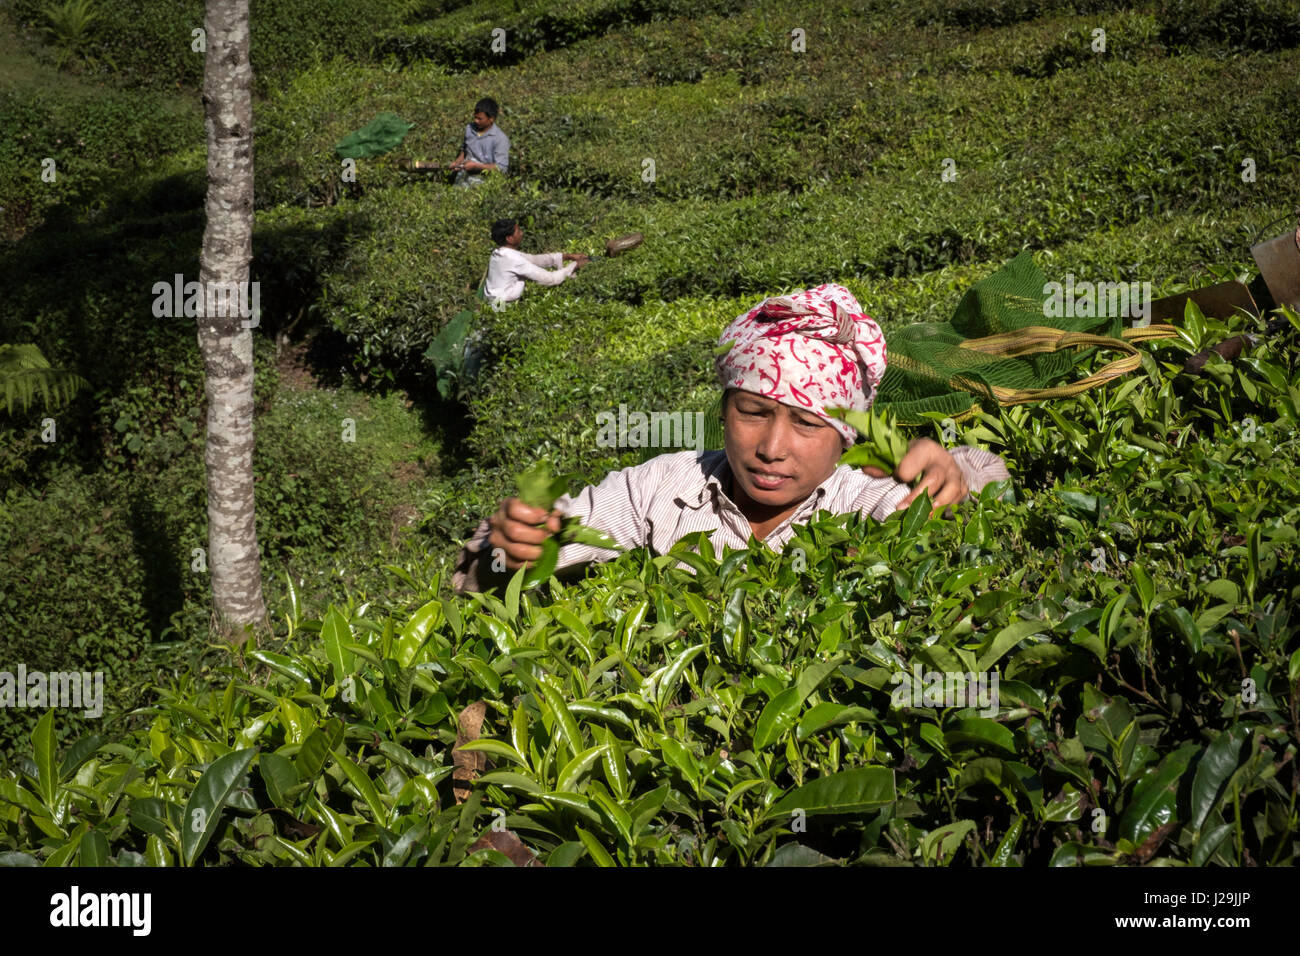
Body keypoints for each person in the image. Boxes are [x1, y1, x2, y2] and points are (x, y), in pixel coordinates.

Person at [453, 283, 1012, 594]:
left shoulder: (872, 503)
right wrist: (507, 549)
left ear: (847, 438)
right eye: (752, 412)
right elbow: (494, 563)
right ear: (723, 413)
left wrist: (956, 471)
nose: (771, 447)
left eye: (807, 423)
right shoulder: (662, 489)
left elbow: (992, 482)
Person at [482, 218, 590, 305]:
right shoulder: (514, 259)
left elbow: (534, 259)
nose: (522, 233)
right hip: (502, 306)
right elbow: (551, 279)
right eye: (518, 231)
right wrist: (575, 265)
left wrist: (567, 256)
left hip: (493, 301)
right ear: (509, 238)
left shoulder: (499, 253)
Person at [450, 98, 509, 187]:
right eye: (475, 117)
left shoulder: (500, 139)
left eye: (480, 119)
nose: (476, 121)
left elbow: (501, 168)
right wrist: (457, 162)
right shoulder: (469, 129)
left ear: (491, 119)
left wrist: (477, 167)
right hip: (463, 177)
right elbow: (465, 149)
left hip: (484, 182)